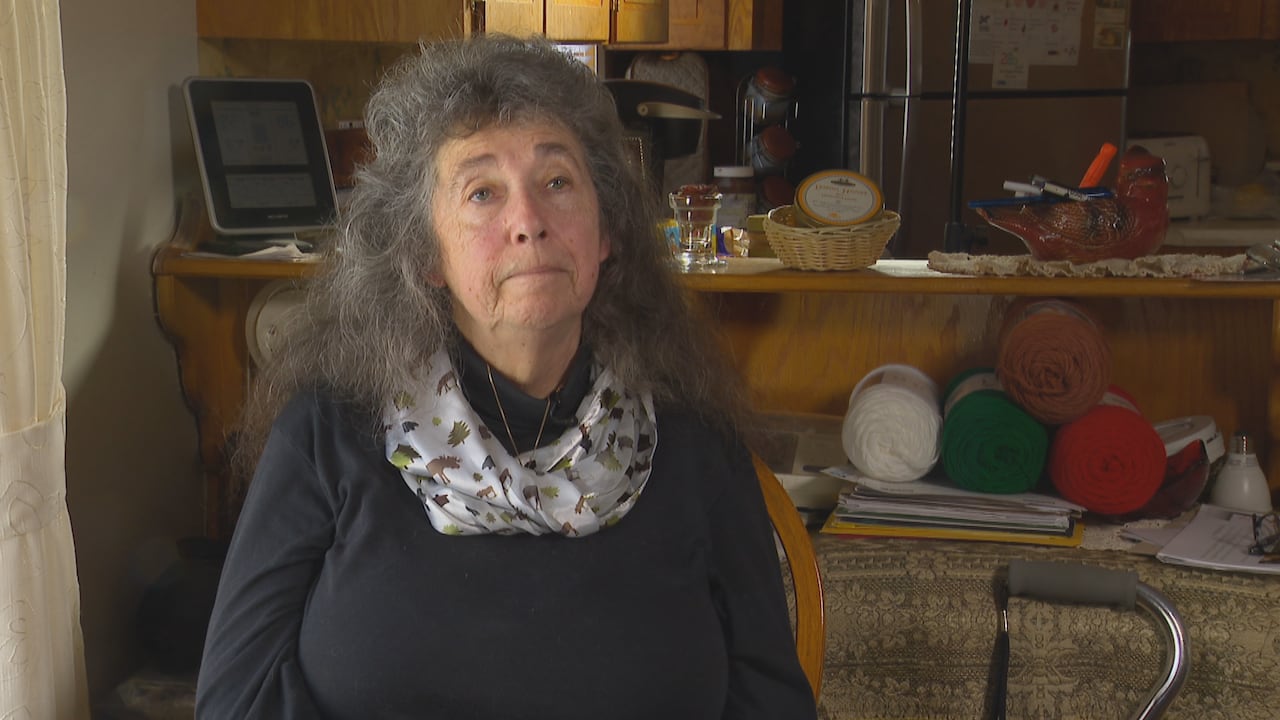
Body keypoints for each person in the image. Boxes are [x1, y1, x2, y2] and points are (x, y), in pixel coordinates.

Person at [195, 34, 817, 720]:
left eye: (557, 182)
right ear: (426, 255)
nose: (528, 222)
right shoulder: (327, 431)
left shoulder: (697, 441)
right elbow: (239, 699)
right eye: (483, 192)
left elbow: (772, 702)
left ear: (606, 232)